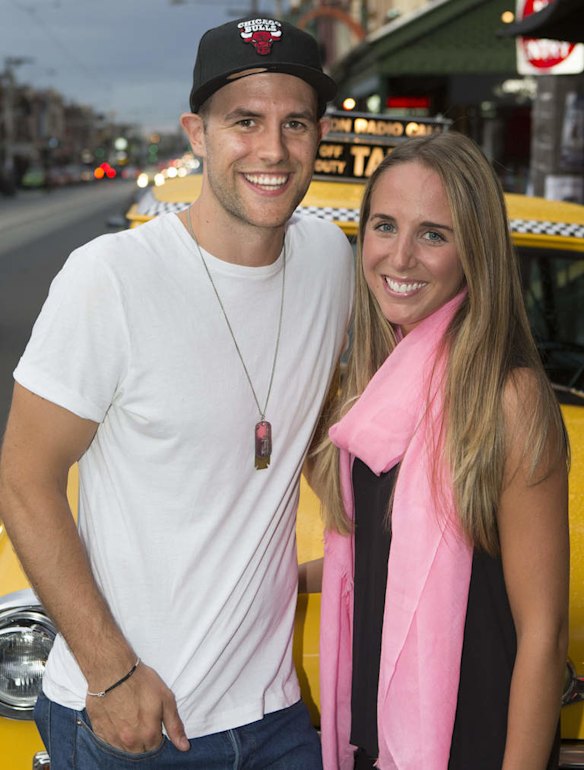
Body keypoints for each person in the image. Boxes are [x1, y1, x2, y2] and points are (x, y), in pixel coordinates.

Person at [0, 16, 353, 770]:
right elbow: (24, 481)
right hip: (133, 722)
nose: (273, 150)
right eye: (245, 121)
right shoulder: (111, 278)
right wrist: (111, 672)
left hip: (276, 715)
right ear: (196, 132)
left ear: (319, 134)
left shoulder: (330, 259)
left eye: (295, 122)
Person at [308, 131, 569, 770]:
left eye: (433, 234)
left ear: (472, 251)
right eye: (384, 226)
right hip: (378, 742)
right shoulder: (372, 388)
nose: (399, 257)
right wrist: (280, 579)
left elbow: (543, 634)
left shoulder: (508, 397)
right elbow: (383, 557)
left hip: (471, 743)